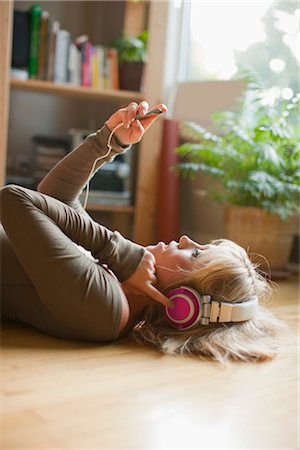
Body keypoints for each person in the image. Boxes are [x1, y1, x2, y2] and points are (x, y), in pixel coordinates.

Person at [0, 101, 284, 364]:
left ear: (182, 305)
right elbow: (55, 198)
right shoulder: (114, 282)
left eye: (195, 253)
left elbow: (14, 200)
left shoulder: (103, 310)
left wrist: (120, 252)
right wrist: (108, 141)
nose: (185, 239)